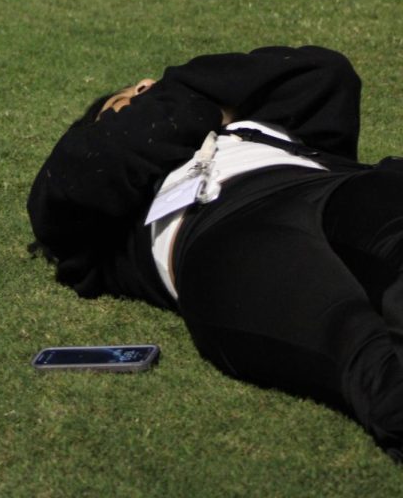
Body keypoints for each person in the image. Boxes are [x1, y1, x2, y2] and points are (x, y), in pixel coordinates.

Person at [28, 45, 403, 459]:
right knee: (361, 352)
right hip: (223, 233)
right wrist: (182, 102)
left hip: (322, 188)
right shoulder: (103, 191)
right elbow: (79, 178)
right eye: (129, 97)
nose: (147, 87)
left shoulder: (253, 127)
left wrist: (186, 92)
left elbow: (323, 71)